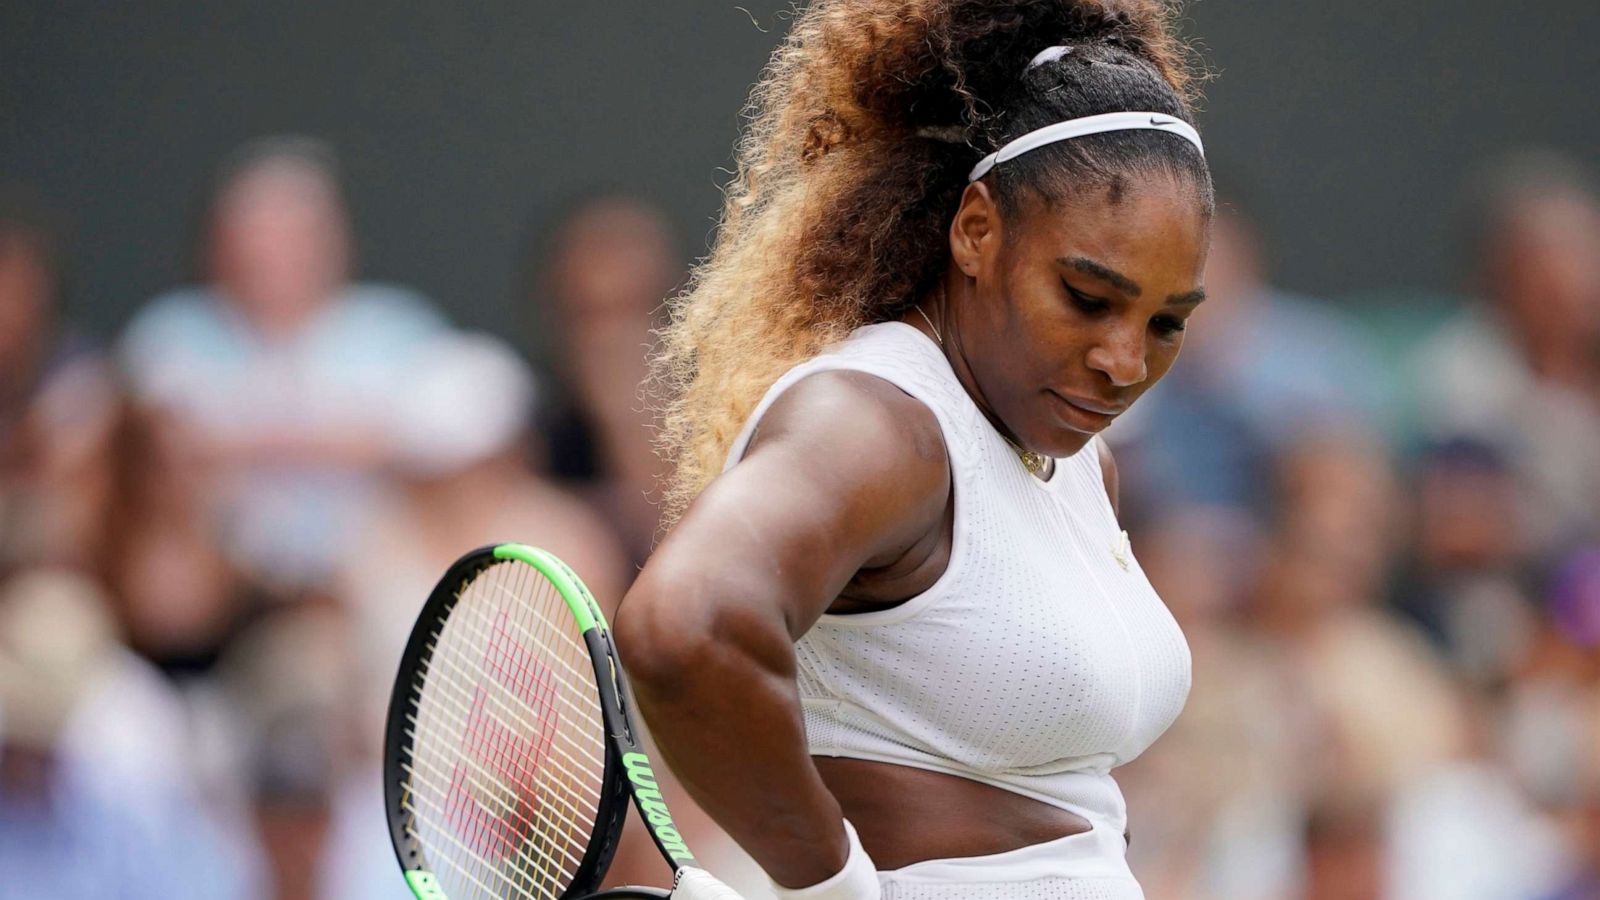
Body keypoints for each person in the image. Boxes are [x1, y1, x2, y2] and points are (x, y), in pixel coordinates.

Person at [616, 2, 1211, 897]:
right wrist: (830, 885)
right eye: (1088, 297)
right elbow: (686, 625)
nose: (1124, 361)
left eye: (1166, 323)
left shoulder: (1075, 452)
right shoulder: (878, 423)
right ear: (977, 230)